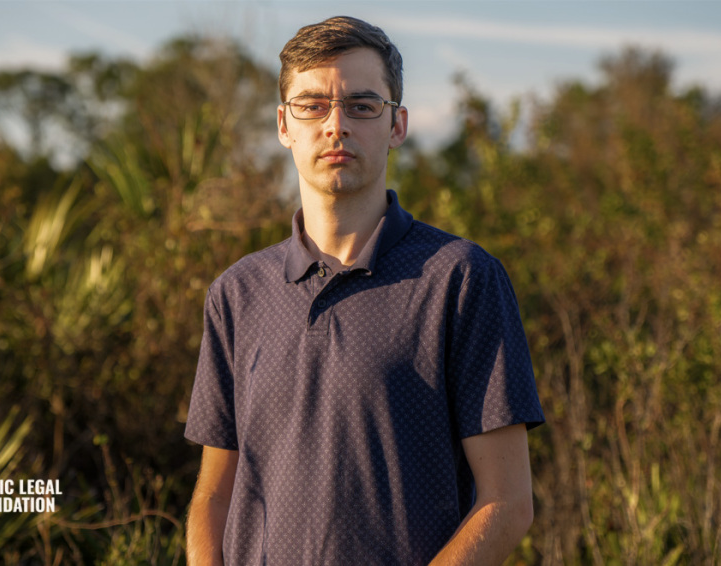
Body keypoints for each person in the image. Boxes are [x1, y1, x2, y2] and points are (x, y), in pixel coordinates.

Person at [184, 16, 544, 566]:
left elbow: (507, 502)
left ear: (397, 125)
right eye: (312, 105)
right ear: (284, 125)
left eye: (361, 105)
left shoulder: (460, 278)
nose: (335, 126)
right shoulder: (237, 293)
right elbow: (214, 495)